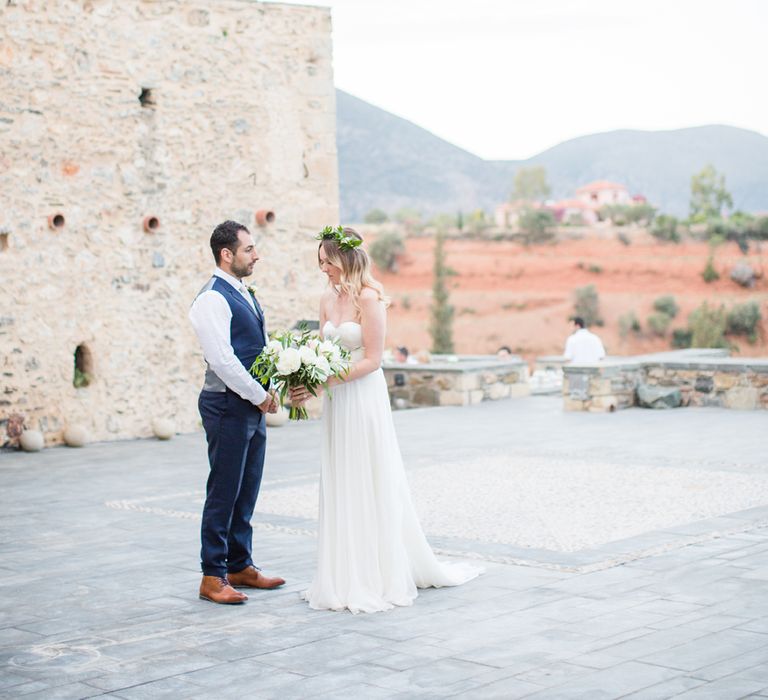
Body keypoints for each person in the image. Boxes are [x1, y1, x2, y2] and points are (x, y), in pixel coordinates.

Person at [290, 226, 481, 614]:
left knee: (366, 475)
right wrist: (306, 377)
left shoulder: (369, 298)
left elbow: (373, 359)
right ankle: (341, 574)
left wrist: (326, 379)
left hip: (362, 398)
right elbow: (321, 347)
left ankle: (375, 574)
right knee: (341, 478)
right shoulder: (327, 299)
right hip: (337, 403)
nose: (322, 269)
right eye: (320, 263)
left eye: (326, 261)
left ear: (344, 260)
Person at [189, 220, 285, 605]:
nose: (256, 255)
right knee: (224, 490)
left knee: (247, 488)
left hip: (250, 403)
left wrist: (268, 389)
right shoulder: (211, 298)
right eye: (249, 249)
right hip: (227, 404)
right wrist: (259, 395)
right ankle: (212, 575)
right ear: (226, 254)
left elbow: (254, 347)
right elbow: (223, 360)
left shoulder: (241, 290)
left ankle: (240, 565)